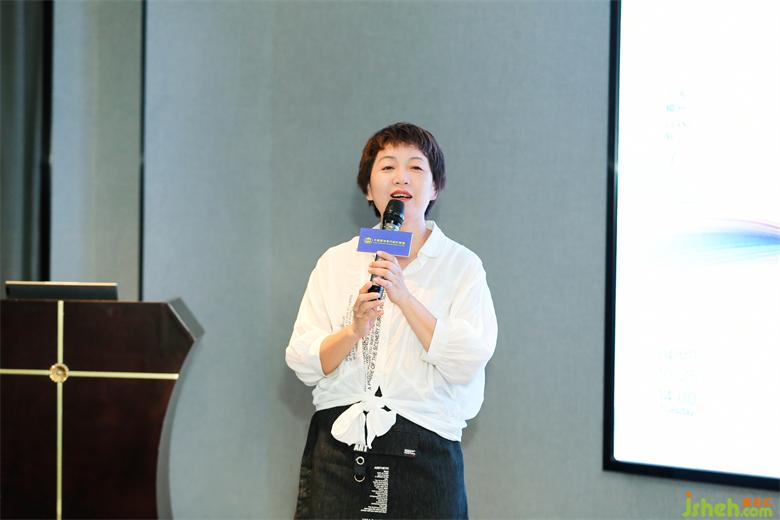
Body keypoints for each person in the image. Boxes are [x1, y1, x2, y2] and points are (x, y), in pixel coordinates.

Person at [285, 122, 497, 519]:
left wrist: (404, 296)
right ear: (369, 189)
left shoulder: (462, 266)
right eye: (387, 167)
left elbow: (468, 359)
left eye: (415, 167)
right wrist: (353, 331)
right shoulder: (336, 262)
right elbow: (303, 360)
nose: (401, 177)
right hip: (339, 457)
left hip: (426, 454)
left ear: (434, 188)